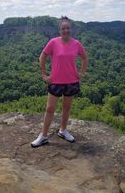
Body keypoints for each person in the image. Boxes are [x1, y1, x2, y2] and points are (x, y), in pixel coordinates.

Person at [31, 16, 88, 148]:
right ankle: (43, 136)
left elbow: (84, 57)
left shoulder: (76, 43)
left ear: (71, 29)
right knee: (50, 109)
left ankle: (63, 130)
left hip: (72, 80)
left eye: (68, 28)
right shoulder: (53, 42)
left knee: (66, 108)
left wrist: (82, 72)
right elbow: (42, 57)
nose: (66, 30)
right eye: (63, 28)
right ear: (59, 30)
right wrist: (44, 74)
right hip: (55, 81)